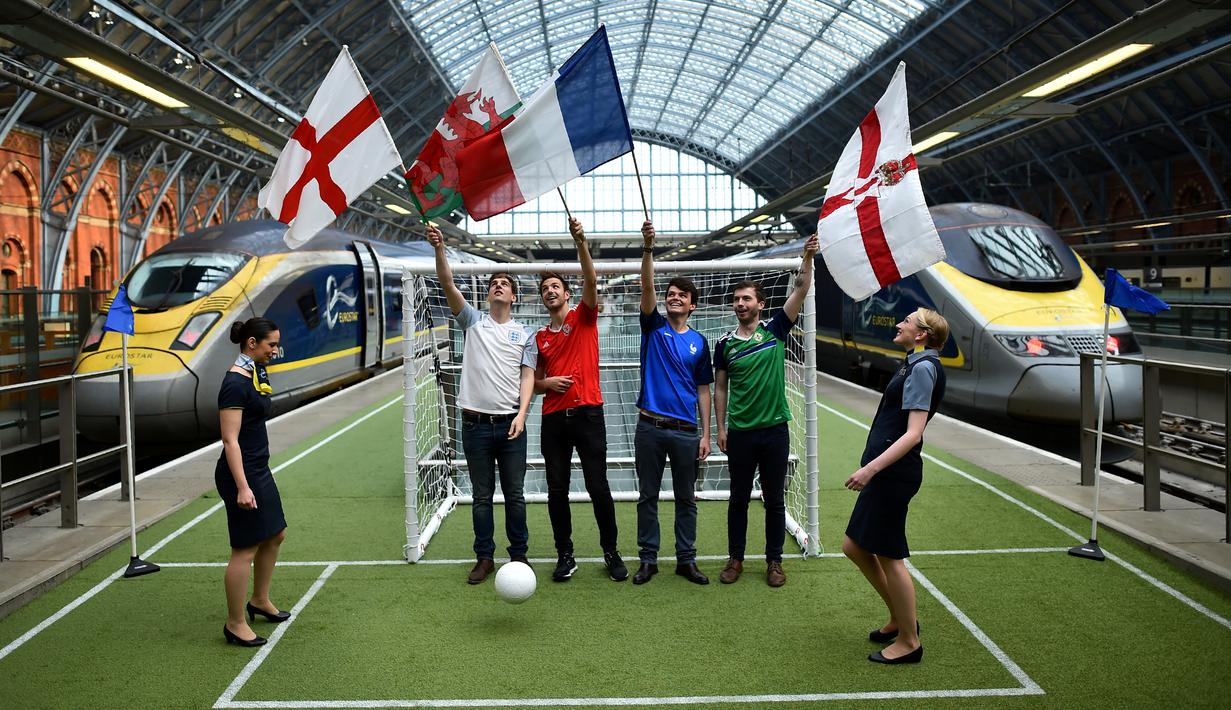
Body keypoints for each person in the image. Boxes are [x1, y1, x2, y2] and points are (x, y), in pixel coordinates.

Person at [426, 224, 535, 585]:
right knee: (482, 496)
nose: (498, 286)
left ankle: (519, 556)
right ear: (487, 296)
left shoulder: (525, 334)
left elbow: (528, 377)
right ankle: (484, 557)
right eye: (493, 284)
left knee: (515, 496)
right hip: (474, 426)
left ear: (513, 297)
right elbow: (447, 284)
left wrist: (522, 415)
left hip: (511, 426)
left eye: (504, 284)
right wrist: (440, 248)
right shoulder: (473, 323)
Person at [522, 217, 627, 583]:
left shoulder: (583, 317)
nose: (550, 291)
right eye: (544, 288)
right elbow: (532, 383)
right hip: (553, 420)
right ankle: (565, 555)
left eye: (555, 286)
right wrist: (546, 382)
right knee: (557, 490)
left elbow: (591, 281)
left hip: (587, 414)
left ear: (567, 294)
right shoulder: (539, 337)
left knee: (598, 486)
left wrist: (580, 242)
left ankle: (611, 552)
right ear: (542, 299)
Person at [842, 308, 949, 665]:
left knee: (890, 556)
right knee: (854, 546)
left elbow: (913, 433)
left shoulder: (923, 368)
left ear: (921, 334)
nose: (900, 324)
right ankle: (901, 619)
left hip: (893, 474)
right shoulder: (914, 363)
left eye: (907, 321)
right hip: (886, 473)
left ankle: (909, 641)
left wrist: (870, 469)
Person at [714, 234, 818, 588]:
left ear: (761, 304)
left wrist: (807, 256)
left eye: (746, 299)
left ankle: (774, 561)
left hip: (774, 431)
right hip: (740, 433)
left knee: (774, 500)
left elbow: (801, 289)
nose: (740, 304)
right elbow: (721, 388)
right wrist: (721, 428)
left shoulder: (775, 331)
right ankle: (735, 559)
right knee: (738, 500)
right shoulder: (724, 345)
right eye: (736, 300)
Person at [632, 220, 713, 586]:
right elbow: (648, 286)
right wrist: (648, 248)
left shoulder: (699, 343)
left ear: (692, 305)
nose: (674, 297)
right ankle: (648, 559)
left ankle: (686, 560)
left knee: (686, 499)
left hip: (685, 432)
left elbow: (703, 390)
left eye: (682, 294)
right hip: (649, 428)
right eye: (671, 293)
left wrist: (706, 434)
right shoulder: (653, 328)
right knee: (647, 496)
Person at [217, 317, 287, 647]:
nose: (276, 350)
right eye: (271, 344)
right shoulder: (235, 383)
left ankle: (259, 599)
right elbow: (230, 440)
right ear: (252, 343)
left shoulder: (256, 371)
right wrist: (242, 487)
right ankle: (234, 623)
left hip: (259, 467)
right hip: (241, 473)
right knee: (245, 549)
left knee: (275, 533)